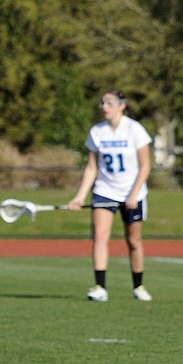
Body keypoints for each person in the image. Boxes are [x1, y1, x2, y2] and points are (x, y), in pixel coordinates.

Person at [68, 89, 153, 302]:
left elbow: (145, 166)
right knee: (100, 236)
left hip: (132, 193)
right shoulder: (97, 132)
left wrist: (133, 194)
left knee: (133, 241)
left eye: (109, 103)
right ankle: (100, 287)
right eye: (102, 103)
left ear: (122, 105)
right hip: (105, 191)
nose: (104, 107)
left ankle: (138, 286)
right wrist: (79, 196)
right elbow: (91, 168)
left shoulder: (135, 130)